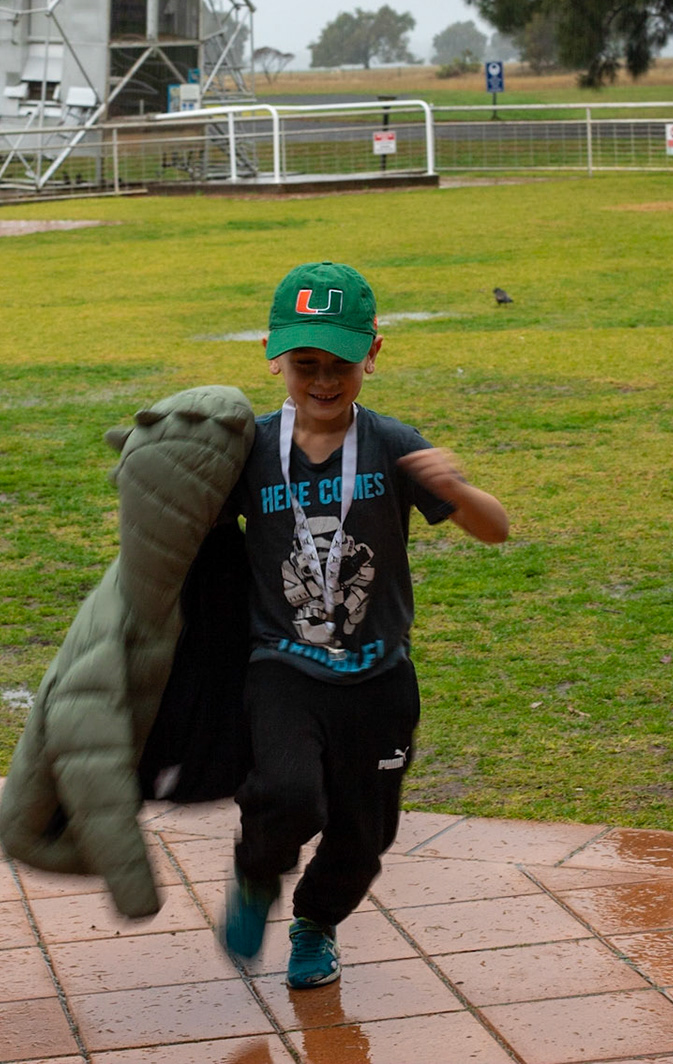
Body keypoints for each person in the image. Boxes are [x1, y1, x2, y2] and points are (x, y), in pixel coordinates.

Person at [218, 261, 509, 989]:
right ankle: (257, 873)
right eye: (305, 364)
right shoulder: (248, 449)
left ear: (372, 355)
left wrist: (455, 487)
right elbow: (187, 530)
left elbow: (496, 529)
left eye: (340, 364)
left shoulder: (392, 444)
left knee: (366, 832)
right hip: (280, 664)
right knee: (287, 794)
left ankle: (316, 922)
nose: (323, 381)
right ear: (273, 355)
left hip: (380, 671)